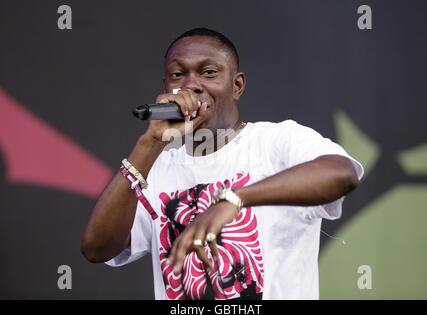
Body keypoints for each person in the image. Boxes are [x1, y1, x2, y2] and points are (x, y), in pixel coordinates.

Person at [81, 27, 364, 300]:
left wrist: (235, 199)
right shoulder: (155, 168)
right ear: (166, 87)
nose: (191, 85)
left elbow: (342, 173)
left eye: (208, 73)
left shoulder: (276, 141)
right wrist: (150, 143)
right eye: (177, 75)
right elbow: (97, 248)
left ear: (236, 85)